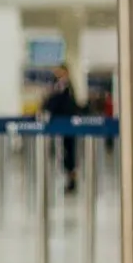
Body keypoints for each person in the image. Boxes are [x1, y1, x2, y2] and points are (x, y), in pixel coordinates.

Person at [42, 64, 81, 193]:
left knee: (69, 152)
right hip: (58, 123)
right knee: (62, 152)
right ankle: (67, 177)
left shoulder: (67, 87)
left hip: (68, 123)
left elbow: (68, 103)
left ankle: (71, 179)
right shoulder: (56, 86)